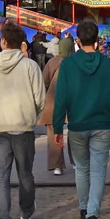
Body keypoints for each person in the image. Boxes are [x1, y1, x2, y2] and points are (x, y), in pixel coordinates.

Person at [53, 17, 110, 219]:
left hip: (77, 125)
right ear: (97, 40)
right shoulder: (107, 64)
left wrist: (58, 128)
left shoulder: (67, 65)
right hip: (102, 124)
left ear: (77, 40)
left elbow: (61, 99)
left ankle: (84, 208)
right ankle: (92, 215)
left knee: (82, 169)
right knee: (98, 171)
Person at [0, 20, 46, 219]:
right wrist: (30, 113)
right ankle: (26, 211)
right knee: (25, 173)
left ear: (4, 42)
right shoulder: (30, 66)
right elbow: (40, 99)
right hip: (23, 126)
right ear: (21, 43)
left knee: (1, 178)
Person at [40, 37, 74, 175]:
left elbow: (44, 81)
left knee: (54, 133)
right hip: (72, 102)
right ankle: (76, 161)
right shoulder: (74, 62)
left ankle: (56, 166)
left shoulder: (51, 62)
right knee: (75, 131)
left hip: (53, 101)